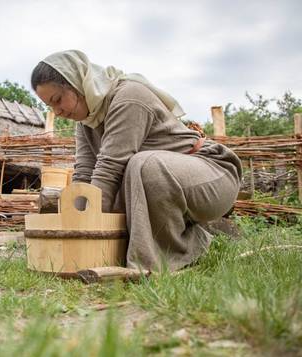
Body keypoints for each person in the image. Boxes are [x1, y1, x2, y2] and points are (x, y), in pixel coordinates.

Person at [31, 50, 242, 272]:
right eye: (50, 106)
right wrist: (72, 225)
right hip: (163, 181)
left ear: (78, 84)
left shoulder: (128, 96)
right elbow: (84, 174)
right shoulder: (86, 122)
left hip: (213, 173)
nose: (58, 111)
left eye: (58, 100)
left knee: (141, 165)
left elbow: (109, 169)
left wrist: (85, 226)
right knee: (124, 179)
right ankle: (188, 239)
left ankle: (152, 263)